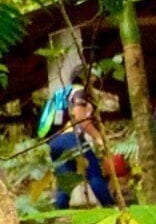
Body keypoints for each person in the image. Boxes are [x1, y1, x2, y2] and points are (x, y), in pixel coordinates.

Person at [43, 80, 116, 209]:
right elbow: (81, 119)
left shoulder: (63, 94)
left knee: (65, 179)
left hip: (54, 141)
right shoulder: (78, 92)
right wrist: (98, 137)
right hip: (70, 138)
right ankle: (110, 207)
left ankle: (61, 212)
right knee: (93, 172)